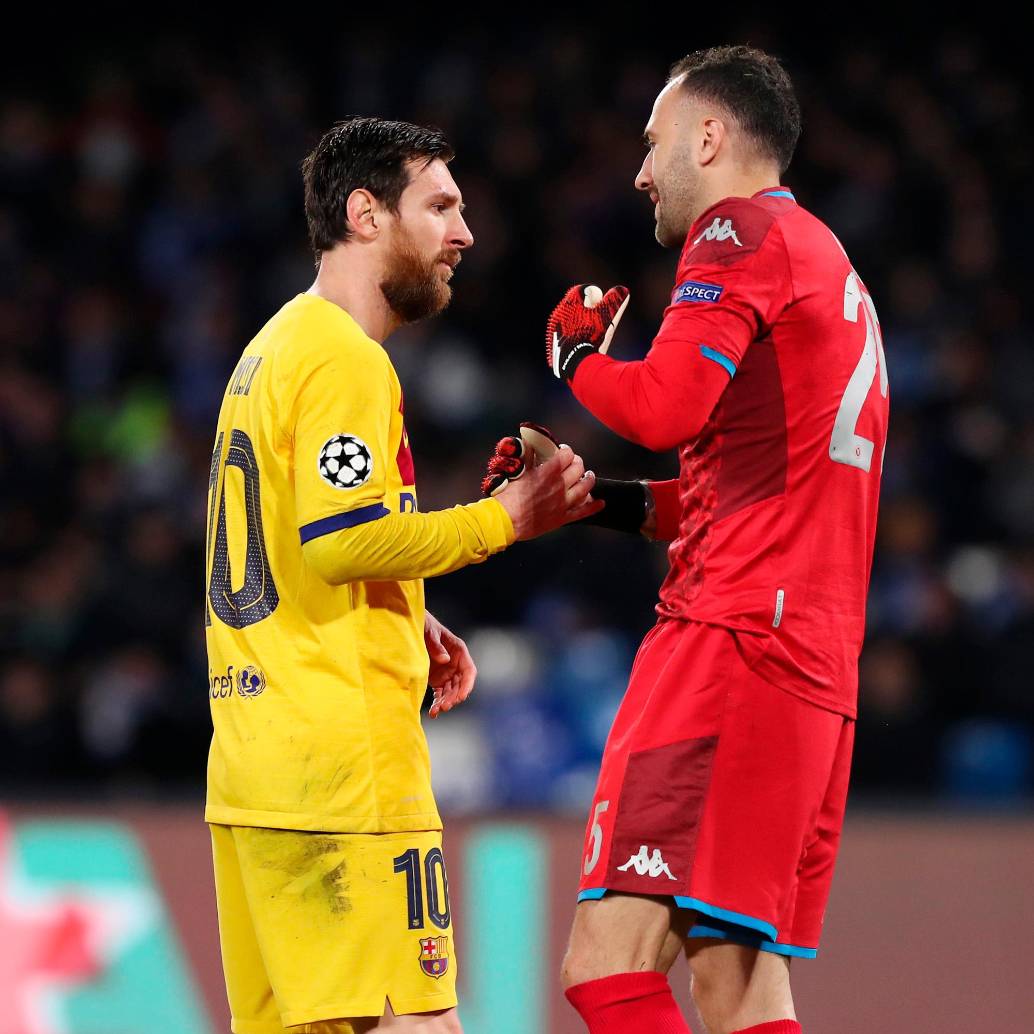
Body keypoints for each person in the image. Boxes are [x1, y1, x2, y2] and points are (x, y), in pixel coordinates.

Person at [203, 116, 600, 1034]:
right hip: (347, 778)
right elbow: (341, 540)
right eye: (441, 207)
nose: (465, 234)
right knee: (416, 1025)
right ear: (365, 213)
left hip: (258, 770)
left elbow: (281, 541)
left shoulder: (271, 349)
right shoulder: (346, 357)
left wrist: (402, 611)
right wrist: (505, 519)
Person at [544, 46, 890, 1034]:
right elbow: (735, 489)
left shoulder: (739, 231)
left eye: (652, 144)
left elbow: (664, 406)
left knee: (606, 967)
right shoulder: (825, 259)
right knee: (735, 987)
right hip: (808, 664)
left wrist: (574, 356)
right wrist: (596, 501)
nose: (641, 172)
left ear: (708, 137)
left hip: (731, 645)